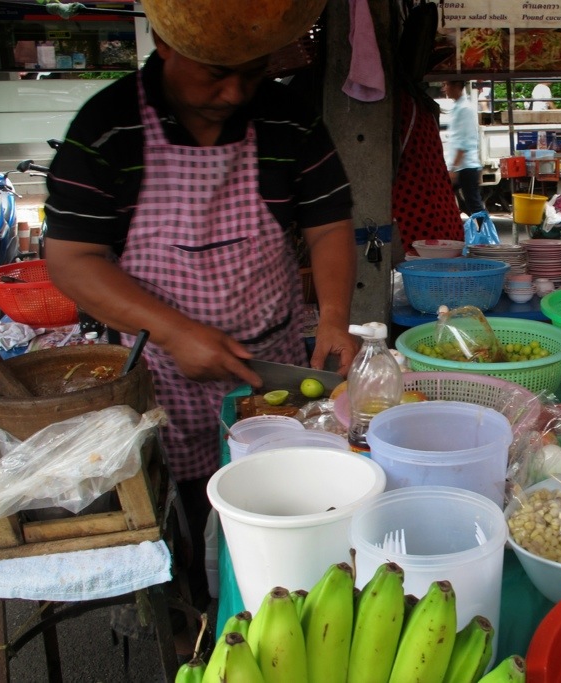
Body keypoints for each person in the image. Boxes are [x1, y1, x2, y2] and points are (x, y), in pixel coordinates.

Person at [42, 30, 358, 610]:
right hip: (162, 369)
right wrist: (173, 331)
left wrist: (335, 318)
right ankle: (191, 609)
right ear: (166, 43)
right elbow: (70, 258)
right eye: (215, 72)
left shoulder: (286, 118)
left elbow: (328, 223)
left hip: (271, 362)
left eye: (252, 70)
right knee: (181, 516)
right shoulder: (108, 127)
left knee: (281, 498)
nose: (234, 92)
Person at [442, 80, 484, 216]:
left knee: (474, 205)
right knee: (468, 205)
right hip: (462, 166)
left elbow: (463, 142)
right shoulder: (457, 107)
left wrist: (454, 168)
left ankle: (483, 228)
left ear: (457, 86)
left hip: (465, 166)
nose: (444, 88)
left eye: (447, 84)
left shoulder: (464, 108)